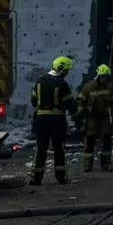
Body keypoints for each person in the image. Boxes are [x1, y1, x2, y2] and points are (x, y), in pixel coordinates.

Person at [30, 56, 76, 185]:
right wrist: (78, 118)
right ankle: (61, 177)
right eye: (66, 70)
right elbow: (70, 104)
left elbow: (33, 100)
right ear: (60, 68)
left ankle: (36, 178)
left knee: (40, 148)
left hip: (40, 119)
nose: (67, 73)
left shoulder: (40, 81)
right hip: (56, 120)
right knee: (59, 148)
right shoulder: (62, 83)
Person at [77, 64, 113, 172]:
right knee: (89, 140)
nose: (103, 79)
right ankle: (87, 165)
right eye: (102, 76)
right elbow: (81, 101)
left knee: (106, 140)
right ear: (98, 75)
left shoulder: (110, 88)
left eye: (105, 76)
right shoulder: (88, 87)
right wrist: (80, 116)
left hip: (104, 117)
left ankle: (106, 164)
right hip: (91, 117)